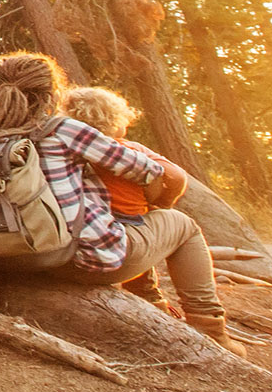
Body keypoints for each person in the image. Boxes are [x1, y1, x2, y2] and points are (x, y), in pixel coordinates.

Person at [0, 52, 244, 355]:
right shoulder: (61, 129)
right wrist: (155, 201)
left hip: (5, 260)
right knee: (183, 226)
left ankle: (154, 304)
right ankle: (210, 328)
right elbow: (145, 170)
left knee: (126, 223)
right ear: (52, 94)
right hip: (78, 260)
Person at [61, 85, 184, 317]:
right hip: (130, 220)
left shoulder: (69, 149)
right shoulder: (130, 149)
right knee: (149, 244)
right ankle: (154, 303)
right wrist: (163, 204)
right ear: (116, 118)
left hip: (87, 223)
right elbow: (176, 177)